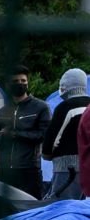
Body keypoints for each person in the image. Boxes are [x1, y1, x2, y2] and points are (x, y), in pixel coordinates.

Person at [0, 74, 49, 192]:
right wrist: (3, 137)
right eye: (15, 81)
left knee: (31, 205)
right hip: (5, 171)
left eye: (23, 81)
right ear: (8, 85)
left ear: (27, 83)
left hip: (29, 170)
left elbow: (44, 135)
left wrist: (17, 134)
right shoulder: (2, 112)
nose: (20, 84)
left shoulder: (40, 107)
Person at [44, 68, 88, 200]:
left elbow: (51, 138)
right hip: (87, 166)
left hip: (66, 169)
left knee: (61, 206)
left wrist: (47, 154)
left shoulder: (64, 108)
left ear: (65, 86)